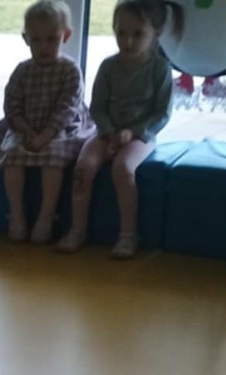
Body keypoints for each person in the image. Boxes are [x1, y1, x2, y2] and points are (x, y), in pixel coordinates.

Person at [60, 0, 181, 258]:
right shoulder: (108, 66)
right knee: (83, 168)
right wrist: (108, 131)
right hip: (106, 132)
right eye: (121, 32)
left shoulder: (160, 69)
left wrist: (133, 132)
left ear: (156, 33)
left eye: (137, 34)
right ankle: (77, 229)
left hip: (141, 136)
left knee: (123, 168)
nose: (127, 41)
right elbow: (97, 106)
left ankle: (128, 234)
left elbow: (162, 114)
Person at [0, 1, 96, 245]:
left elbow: (67, 107)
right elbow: (12, 104)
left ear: (66, 36)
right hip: (25, 125)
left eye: (52, 39)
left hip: (62, 127)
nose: (44, 47)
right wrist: (24, 129)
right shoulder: (23, 71)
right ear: (26, 39)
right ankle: (16, 214)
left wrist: (46, 134)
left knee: (53, 158)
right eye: (36, 40)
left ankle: (46, 216)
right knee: (11, 156)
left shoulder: (70, 70)